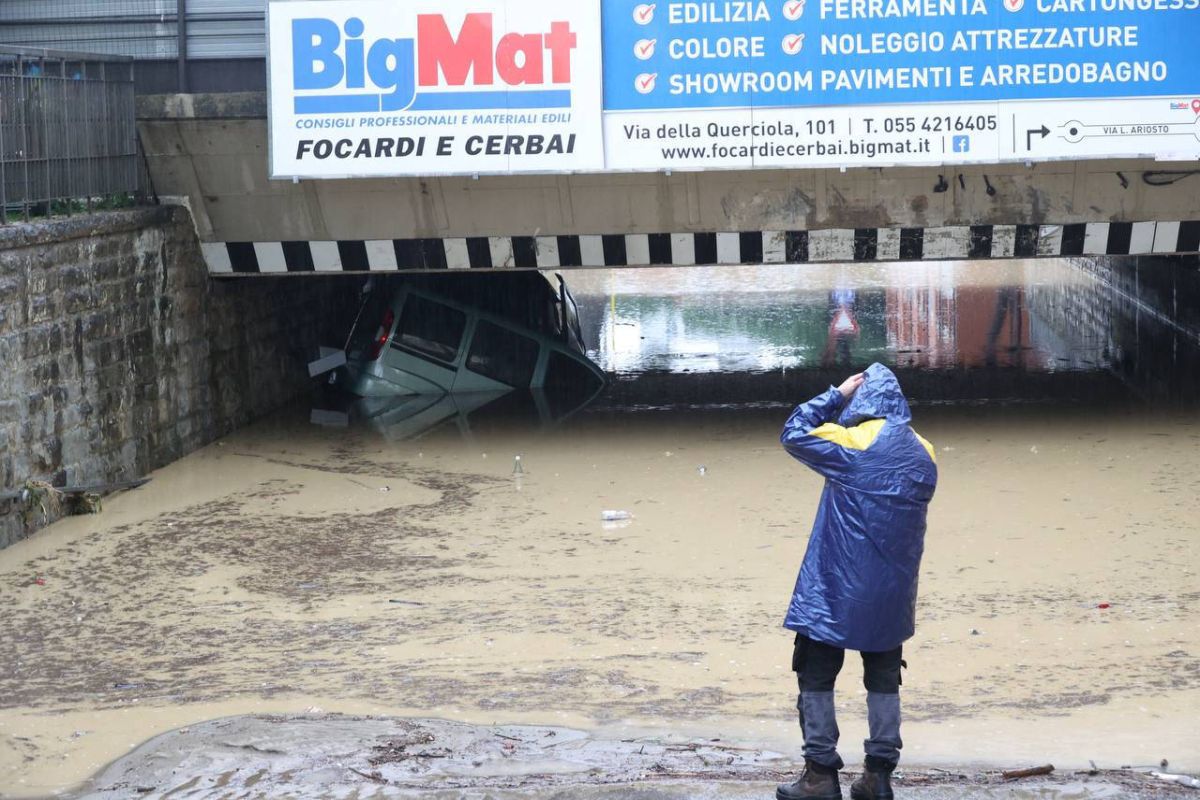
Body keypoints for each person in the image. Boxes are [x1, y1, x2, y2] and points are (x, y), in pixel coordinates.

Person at [776, 363, 938, 800]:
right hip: (893, 594)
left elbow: (793, 432)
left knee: (815, 674)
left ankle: (819, 775)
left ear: (862, 403)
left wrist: (835, 394)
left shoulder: (851, 444)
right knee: (884, 679)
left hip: (835, 588)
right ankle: (878, 776)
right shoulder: (925, 452)